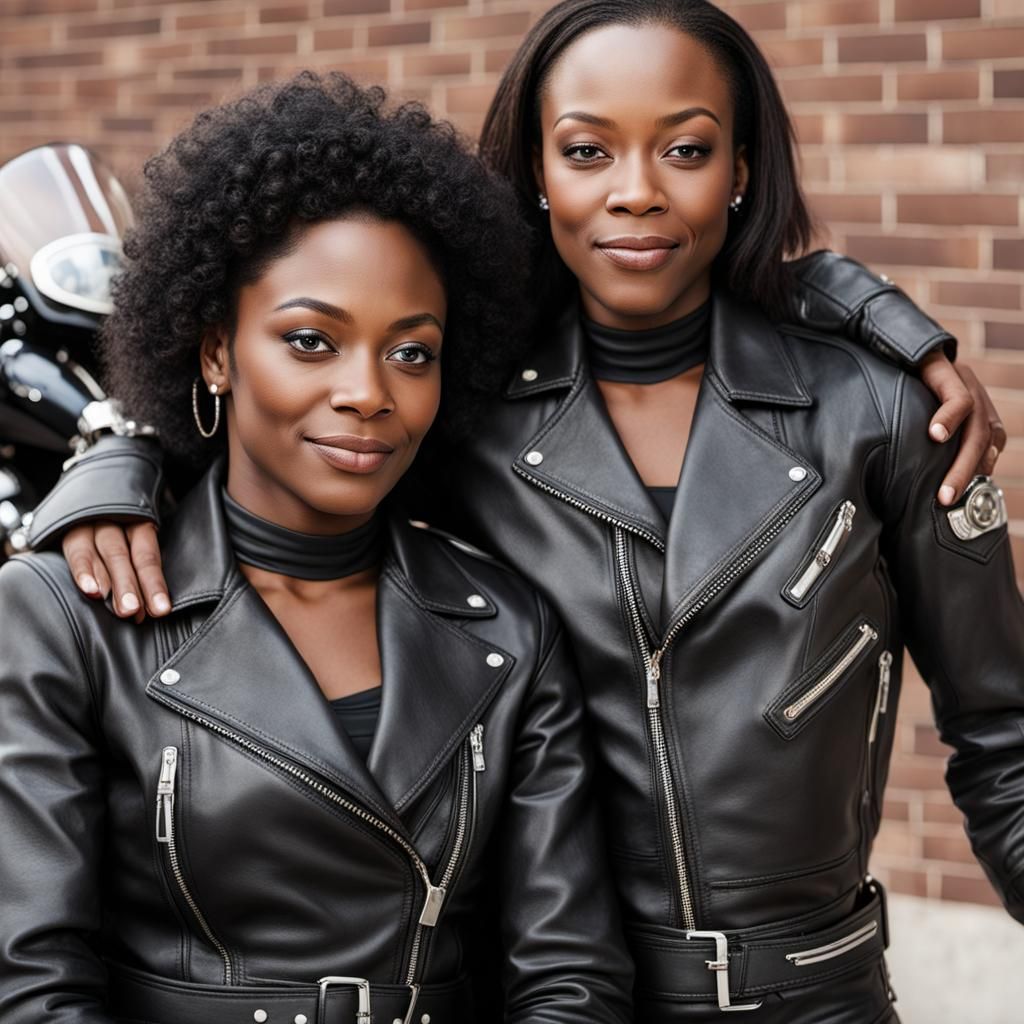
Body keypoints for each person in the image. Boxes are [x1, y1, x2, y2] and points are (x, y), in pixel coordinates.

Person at [25, 2, 1023, 1021]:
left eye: (685, 147)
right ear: (539, 174)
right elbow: (263, 438)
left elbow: (1006, 738)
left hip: (816, 1002)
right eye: (587, 149)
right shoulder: (467, 410)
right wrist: (116, 465)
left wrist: (865, 306)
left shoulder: (882, 409)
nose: (635, 191)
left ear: (742, 168)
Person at [0, 73, 636, 1024]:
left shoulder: (509, 628)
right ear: (216, 351)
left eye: (411, 351)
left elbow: (570, 977)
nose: (368, 392)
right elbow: (34, 985)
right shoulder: (69, 613)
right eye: (310, 341)